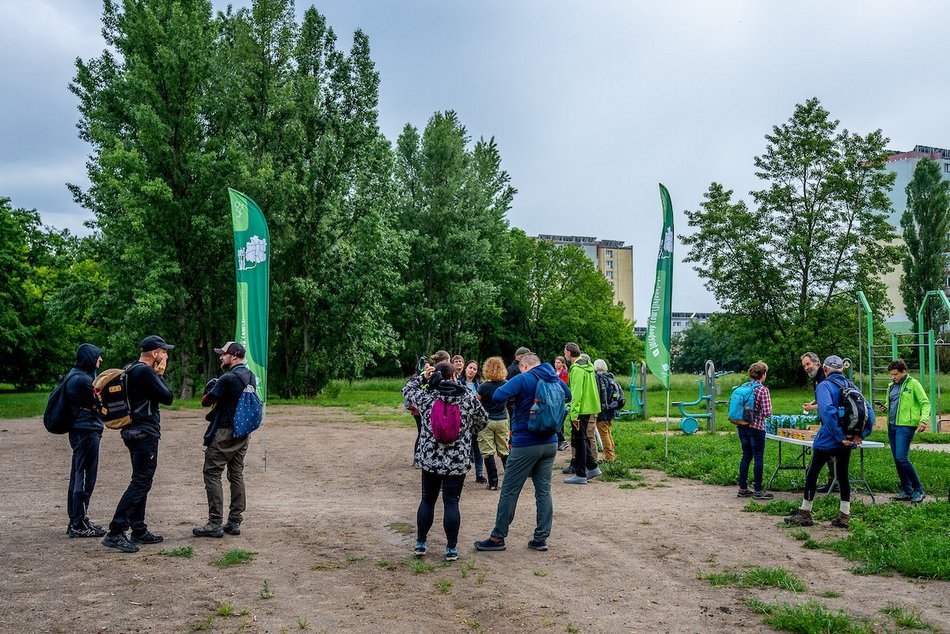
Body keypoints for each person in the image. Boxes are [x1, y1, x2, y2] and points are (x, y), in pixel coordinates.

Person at [474, 353, 571, 552]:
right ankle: (541, 538)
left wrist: (518, 398)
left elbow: (498, 395)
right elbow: (568, 395)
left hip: (525, 443)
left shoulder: (522, 378)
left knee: (510, 490)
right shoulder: (553, 377)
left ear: (524, 365)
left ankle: (497, 537)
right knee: (543, 491)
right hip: (550, 442)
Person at [403, 361, 488, 562]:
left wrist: (422, 376)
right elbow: (483, 420)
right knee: (452, 502)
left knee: (427, 500)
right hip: (457, 460)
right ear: (454, 377)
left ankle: (421, 543)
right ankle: (451, 548)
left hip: (430, 458)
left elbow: (407, 389)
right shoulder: (467, 398)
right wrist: (467, 433)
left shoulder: (427, 397)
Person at [102, 335, 175, 553]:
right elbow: (168, 397)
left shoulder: (131, 368)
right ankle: (116, 531)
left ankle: (139, 528)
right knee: (141, 482)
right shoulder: (145, 371)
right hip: (145, 431)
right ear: (154, 353)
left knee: (140, 479)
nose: (166, 356)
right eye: (164, 351)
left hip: (133, 430)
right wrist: (160, 374)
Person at [784, 355, 868, 529]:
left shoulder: (824, 385)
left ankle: (805, 513)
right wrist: (861, 435)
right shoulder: (851, 385)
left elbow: (828, 412)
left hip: (829, 437)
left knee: (812, 472)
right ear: (842, 369)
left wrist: (838, 436)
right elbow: (868, 410)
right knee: (843, 475)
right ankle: (844, 515)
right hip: (849, 437)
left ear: (825, 368)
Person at [193, 342, 257, 538]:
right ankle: (235, 521)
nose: (221, 357)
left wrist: (210, 388)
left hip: (224, 432)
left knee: (212, 472)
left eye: (224, 354)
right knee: (236, 474)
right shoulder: (250, 376)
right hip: (242, 433)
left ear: (234, 356)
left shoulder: (227, 378)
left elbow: (206, 401)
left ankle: (214, 523)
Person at [65, 343, 107, 538]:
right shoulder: (82, 379)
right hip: (86, 431)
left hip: (82, 431)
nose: (100, 360)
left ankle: (78, 519)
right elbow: (99, 403)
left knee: (78, 474)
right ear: (89, 358)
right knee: (83, 476)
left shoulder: (75, 375)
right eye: (97, 356)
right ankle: (77, 523)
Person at [884, 359, 930, 503]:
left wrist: (923, 420)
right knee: (897, 460)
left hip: (906, 425)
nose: (893, 377)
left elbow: (925, 402)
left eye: (896, 374)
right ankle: (907, 490)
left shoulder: (913, 384)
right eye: (891, 374)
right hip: (892, 425)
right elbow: (890, 403)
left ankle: (918, 489)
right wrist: (885, 407)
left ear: (904, 372)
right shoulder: (891, 386)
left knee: (901, 458)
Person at [735, 361, 774, 500]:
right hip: (757, 428)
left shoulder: (744, 387)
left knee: (746, 456)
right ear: (763, 375)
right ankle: (758, 489)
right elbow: (767, 412)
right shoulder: (762, 390)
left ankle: (743, 488)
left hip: (742, 426)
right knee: (758, 457)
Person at [563, 344, 601, 483]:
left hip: (580, 410)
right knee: (583, 438)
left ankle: (580, 474)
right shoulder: (587, 366)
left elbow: (576, 393)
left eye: (565, 352)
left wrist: (573, 413)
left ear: (568, 353)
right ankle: (592, 467)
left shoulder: (577, 369)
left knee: (579, 440)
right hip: (589, 407)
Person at [801, 351, 835, 493]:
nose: (806, 368)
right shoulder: (816, 377)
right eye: (804, 366)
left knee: (824, 450)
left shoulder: (824, 376)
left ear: (817, 362)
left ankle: (831, 481)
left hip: (831, 421)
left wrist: (812, 407)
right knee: (829, 453)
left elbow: (830, 402)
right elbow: (821, 397)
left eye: (808, 364)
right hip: (825, 420)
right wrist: (813, 401)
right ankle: (833, 481)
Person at [476, 357, 510, 490]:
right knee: (504, 450)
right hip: (502, 419)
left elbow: (476, 402)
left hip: (486, 420)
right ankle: (509, 481)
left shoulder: (483, 386)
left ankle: (493, 483)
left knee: (488, 451)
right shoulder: (506, 384)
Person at [460, 359, 486, 484]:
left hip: (475, 421)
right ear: (465, 368)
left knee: (477, 448)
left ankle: (479, 474)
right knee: (463, 448)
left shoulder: (479, 385)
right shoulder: (458, 383)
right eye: (470, 367)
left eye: (474, 369)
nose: (472, 370)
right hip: (462, 421)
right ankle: (461, 473)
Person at [593, 358, 618, 464]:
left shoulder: (598, 378)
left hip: (603, 410)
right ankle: (612, 453)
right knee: (608, 432)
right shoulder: (610, 377)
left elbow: (598, 395)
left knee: (603, 433)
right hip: (611, 409)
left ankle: (609, 457)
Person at [553, 356, 569, 451]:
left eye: (559, 362)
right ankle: (559, 439)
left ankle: (562, 440)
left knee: (560, 419)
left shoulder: (564, 373)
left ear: (563, 364)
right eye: (555, 362)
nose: (557, 364)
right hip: (554, 398)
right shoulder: (553, 372)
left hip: (561, 398)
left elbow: (564, 385)